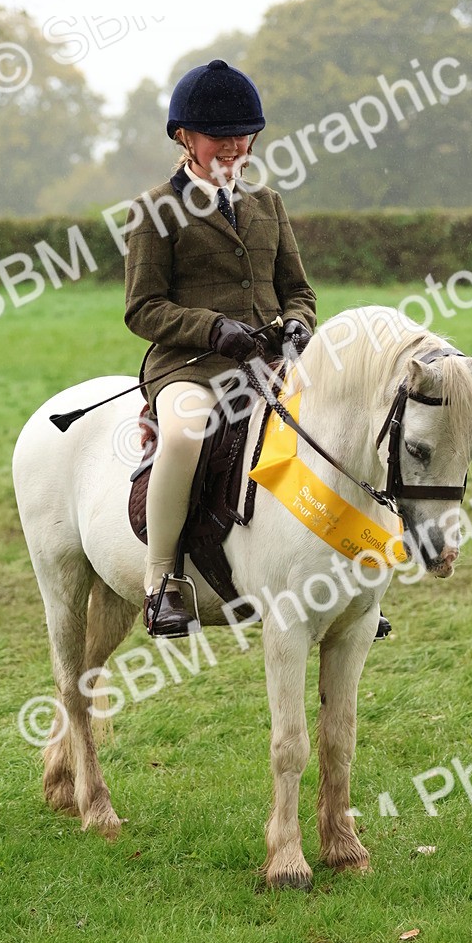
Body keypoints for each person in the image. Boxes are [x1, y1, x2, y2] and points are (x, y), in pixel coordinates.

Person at [124, 59, 317, 637]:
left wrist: (298, 327)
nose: (233, 147)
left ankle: (344, 571)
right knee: (184, 436)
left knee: (338, 427)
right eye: (219, 137)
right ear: (185, 137)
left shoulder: (268, 205)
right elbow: (143, 308)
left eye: (242, 135)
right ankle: (162, 583)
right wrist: (212, 330)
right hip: (190, 366)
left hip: (269, 365)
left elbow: (298, 292)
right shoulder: (156, 209)